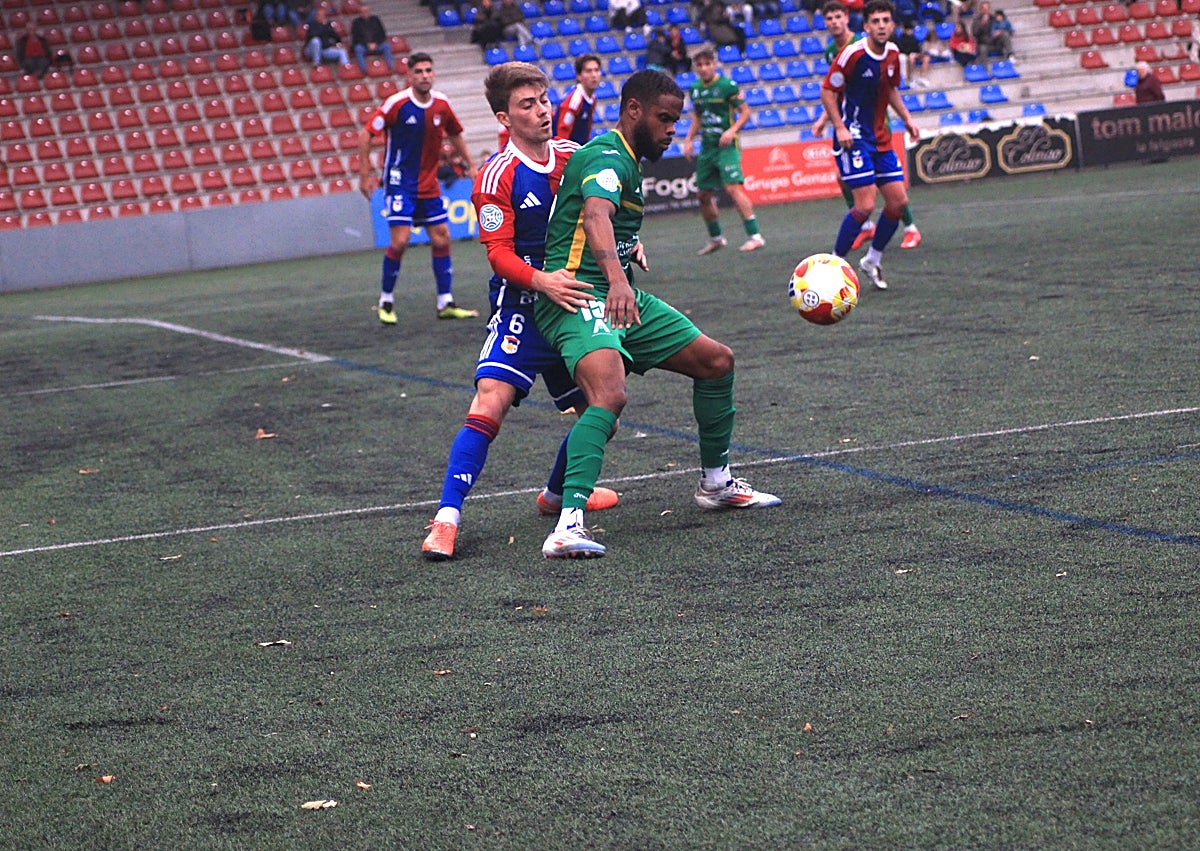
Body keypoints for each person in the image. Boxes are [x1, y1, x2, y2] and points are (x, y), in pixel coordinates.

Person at [534, 69, 781, 559]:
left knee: (716, 361)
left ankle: (716, 484)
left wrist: (627, 254)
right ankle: (567, 525)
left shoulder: (627, 159)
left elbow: (607, 221)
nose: (672, 130)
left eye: (676, 120)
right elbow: (596, 215)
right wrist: (619, 279)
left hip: (617, 294)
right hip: (579, 297)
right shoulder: (606, 156)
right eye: (665, 120)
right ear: (634, 111)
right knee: (609, 393)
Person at [422, 62, 621, 561]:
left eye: (544, 100)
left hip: (571, 307)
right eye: (527, 105)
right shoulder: (495, 176)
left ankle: (555, 494)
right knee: (490, 400)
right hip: (523, 307)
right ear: (503, 119)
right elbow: (498, 253)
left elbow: (602, 214)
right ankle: (446, 520)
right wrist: (540, 280)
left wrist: (627, 246)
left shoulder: (576, 157)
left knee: (604, 410)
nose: (542, 111)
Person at [358, 52, 480, 323]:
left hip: (429, 183)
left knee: (442, 237)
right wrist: (365, 173)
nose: (425, 75)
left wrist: (470, 165)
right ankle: (386, 302)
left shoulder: (442, 104)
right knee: (400, 241)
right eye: (419, 71)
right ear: (409, 75)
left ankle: (445, 302)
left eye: (428, 70)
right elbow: (366, 133)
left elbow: (455, 133)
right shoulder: (397, 104)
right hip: (400, 182)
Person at [820, 0, 921, 289]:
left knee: (899, 201)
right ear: (865, 26)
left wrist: (908, 119)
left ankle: (871, 260)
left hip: (881, 138)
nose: (880, 25)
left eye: (885, 20)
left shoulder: (892, 53)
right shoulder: (852, 54)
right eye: (875, 21)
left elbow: (889, 89)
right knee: (865, 205)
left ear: (892, 24)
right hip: (854, 137)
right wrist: (839, 127)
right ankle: (834, 264)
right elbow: (827, 91)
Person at [683, 49, 766, 255]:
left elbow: (745, 112)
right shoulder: (695, 89)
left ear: (714, 64)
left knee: (732, 188)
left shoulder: (727, 86)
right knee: (703, 194)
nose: (703, 68)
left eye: (707, 64)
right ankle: (716, 238)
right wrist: (688, 140)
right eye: (699, 65)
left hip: (727, 147)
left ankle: (755, 236)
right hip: (707, 147)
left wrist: (732, 130)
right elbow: (697, 117)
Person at [554, 54, 602, 143]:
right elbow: (562, 135)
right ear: (579, 76)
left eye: (596, 70)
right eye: (588, 71)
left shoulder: (592, 98)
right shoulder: (574, 101)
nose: (594, 75)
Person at [350, 3, 395, 74]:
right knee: (358, 49)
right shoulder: (356, 23)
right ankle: (364, 70)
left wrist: (376, 43)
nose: (365, 13)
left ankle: (391, 67)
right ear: (360, 13)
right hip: (364, 45)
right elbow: (356, 38)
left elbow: (382, 34)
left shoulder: (376, 19)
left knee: (387, 46)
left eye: (366, 11)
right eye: (363, 12)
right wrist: (367, 44)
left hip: (377, 44)